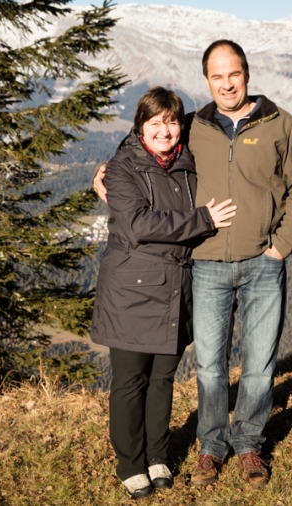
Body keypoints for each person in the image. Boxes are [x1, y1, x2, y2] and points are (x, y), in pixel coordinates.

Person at [94, 40, 292, 489]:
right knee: (210, 366)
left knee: (259, 363)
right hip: (207, 265)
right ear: (208, 81)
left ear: (246, 74)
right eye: (217, 77)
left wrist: (282, 243)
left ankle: (249, 444)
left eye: (233, 74)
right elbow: (144, 138)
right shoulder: (196, 124)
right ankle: (210, 448)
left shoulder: (279, 123)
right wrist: (105, 173)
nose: (227, 83)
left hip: (262, 261)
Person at [90, 86, 237, 499]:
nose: (165, 130)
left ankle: (157, 455)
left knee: (163, 380)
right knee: (130, 381)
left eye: (172, 121)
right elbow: (139, 225)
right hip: (131, 292)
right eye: (155, 122)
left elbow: (221, 112)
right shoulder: (122, 169)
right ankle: (130, 463)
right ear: (140, 127)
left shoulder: (189, 164)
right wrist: (203, 219)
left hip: (175, 289)